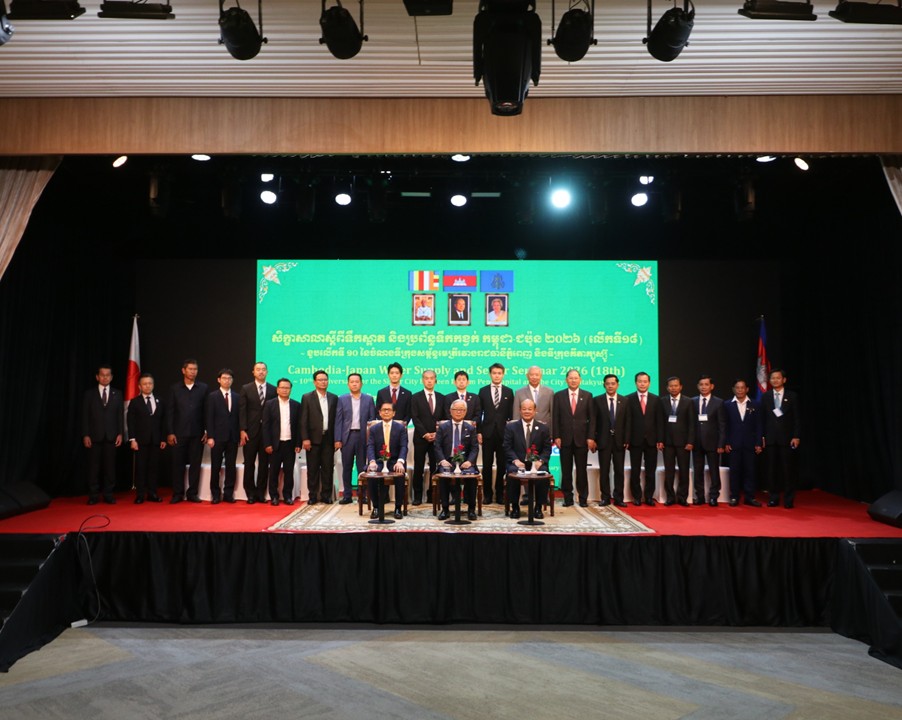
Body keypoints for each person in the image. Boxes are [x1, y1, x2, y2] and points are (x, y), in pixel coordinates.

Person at [164, 358, 208, 504]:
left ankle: (192, 493)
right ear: (183, 370)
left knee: (195, 465)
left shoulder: (203, 388)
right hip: (179, 433)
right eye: (190, 369)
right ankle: (177, 493)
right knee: (178, 464)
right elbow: (170, 412)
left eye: (195, 369)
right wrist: (170, 432)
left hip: (197, 433)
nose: (193, 372)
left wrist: (206, 430)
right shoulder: (174, 389)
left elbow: (206, 411)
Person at [553, 369, 596, 507]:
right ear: (566, 380)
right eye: (570, 378)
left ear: (580, 380)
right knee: (566, 471)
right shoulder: (559, 396)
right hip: (564, 439)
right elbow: (555, 418)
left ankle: (583, 498)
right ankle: (568, 498)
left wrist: (590, 437)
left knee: (581, 471)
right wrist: (556, 436)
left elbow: (592, 419)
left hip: (582, 439)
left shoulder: (587, 395)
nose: (573, 380)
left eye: (576, 378)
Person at [504, 399, 552, 520]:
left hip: (536, 463)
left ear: (535, 411)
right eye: (524, 409)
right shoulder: (511, 427)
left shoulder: (543, 428)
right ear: (520, 411)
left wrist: (540, 461)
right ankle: (515, 507)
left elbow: (547, 449)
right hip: (517, 462)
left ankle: (538, 507)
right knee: (512, 474)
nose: (527, 411)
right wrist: (515, 460)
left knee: (544, 474)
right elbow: (507, 447)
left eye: (530, 409)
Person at [512, 365, 554, 506]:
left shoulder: (549, 392)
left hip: (542, 434)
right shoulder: (519, 392)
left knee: (541, 462)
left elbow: (552, 414)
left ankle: (543, 496)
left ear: (541, 376)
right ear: (527, 376)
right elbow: (516, 415)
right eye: (532, 374)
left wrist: (552, 434)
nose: (534, 377)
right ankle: (527, 495)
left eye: (537, 374)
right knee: (525, 462)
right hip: (524, 432)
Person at [82, 364, 123, 505]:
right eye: (102, 375)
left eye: (107, 375)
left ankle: (108, 494)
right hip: (94, 436)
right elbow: (85, 416)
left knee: (110, 468)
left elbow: (120, 416)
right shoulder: (89, 394)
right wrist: (86, 434)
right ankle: (93, 495)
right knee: (93, 468)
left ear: (111, 377)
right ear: (97, 377)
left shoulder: (117, 394)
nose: (105, 377)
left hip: (111, 436)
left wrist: (120, 433)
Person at [334, 373, 378, 505]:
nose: (354, 384)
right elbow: (338, 420)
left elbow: (372, 420)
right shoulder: (342, 399)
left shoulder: (368, 399)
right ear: (348, 384)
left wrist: (371, 439)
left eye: (357, 381)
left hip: (363, 436)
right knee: (347, 466)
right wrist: (337, 439)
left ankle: (362, 495)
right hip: (347, 437)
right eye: (352, 382)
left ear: (361, 383)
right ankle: (347, 495)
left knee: (362, 467)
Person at [760, 368, 801, 508]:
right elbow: (762, 419)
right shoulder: (765, 396)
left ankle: (789, 499)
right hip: (770, 439)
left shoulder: (792, 396)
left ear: (784, 380)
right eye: (772, 378)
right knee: (772, 470)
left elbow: (797, 418)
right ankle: (773, 497)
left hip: (787, 439)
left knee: (788, 470)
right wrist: (762, 436)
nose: (775, 380)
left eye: (778, 378)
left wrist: (796, 436)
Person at [434, 399, 479, 520]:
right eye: (456, 409)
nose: (459, 412)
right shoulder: (443, 427)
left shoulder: (470, 428)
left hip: (465, 462)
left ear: (465, 412)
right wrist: (442, 460)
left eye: (462, 410)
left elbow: (475, 448)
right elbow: (437, 446)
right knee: (444, 475)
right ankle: (445, 509)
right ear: (450, 411)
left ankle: (471, 509)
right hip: (448, 461)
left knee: (471, 476)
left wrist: (469, 461)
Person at [238, 361, 276, 504]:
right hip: (250, 432)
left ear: (267, 372)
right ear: (253, 372)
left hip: (267, 433)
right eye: (258, 369)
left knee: (264, 464)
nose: (261, 372)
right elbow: (242, 411)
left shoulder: (273, 389)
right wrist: (242, 430)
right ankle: (250, 493)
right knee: (249, 463)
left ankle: (261, 493)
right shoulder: (246, 388)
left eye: (263, 369)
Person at [624, 371, 664, 506]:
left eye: (645, 381)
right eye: (640, 381)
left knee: (650, 471)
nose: (642, 384)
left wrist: (660, 439)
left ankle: (648, 497)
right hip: (635, 441)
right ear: (636, 383)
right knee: (635, 471)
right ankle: (636, 496)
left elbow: (659, 421)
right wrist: (627, 440)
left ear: (649, 383)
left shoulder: (656, 399)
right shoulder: (628, 399)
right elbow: (627, 421)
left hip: (652, 441)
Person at [477, 363, 515, 504]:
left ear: (503, 374)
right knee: (487, 465)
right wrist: (478, 432)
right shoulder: (483, 391)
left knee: (502, 465)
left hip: (503, 434)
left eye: (499, 373)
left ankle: (500, 494)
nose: (497, 375)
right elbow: (479, 413)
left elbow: (511, 415)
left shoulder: (509, 392)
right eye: (494, 373)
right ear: (490, 374)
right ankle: (487, 494)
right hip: (487, 433)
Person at [723, 379, 764, 507]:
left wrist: (758, 442)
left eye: (742, 387)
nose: (740, 390)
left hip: (750, 444)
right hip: (733, 444)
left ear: (747, 389)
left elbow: (759, 425)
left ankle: (749, 497)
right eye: (737, 387)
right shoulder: (727, 404)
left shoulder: (755, 404)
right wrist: (726, 442)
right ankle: (734, 497)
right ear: (733, 389)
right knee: (734, 471)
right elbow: (725, 426)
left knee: (750, 471)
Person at [300, 370, 338, 504]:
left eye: (325, 379)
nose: (323, 382)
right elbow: (303, 420)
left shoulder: (334, 397)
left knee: (328, 468)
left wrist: (337, 439)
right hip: (312, 439)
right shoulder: (307, 397)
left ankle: (326, 495)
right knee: (313, 469)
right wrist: (305, 438)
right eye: (320, 380)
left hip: (328, 438)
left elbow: (336, 420)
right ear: (314, 382)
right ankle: (313, 496)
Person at [127, 372, 165, 504]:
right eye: (145, 384)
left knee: (153, 468)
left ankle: (152, 493)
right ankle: (140, 495)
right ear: (139, 386)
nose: (148, 386)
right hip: (140, 441)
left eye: (150, 383)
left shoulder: (160, 400)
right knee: (141, 468)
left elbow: (163, 421)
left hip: (156, 440)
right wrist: (132, 439)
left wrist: (163, 439)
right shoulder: (135, 402)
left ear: (153, 385)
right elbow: (130, 422)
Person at [366, 402, 408, 520]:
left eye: (389, 410)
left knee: (399, 473)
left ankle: (398, 507)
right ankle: (376, 507)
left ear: (394, 413)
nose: (386, 412)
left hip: (394, 461)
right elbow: (370, 446)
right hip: (379, 461)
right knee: (372, 474)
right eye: (383, 410)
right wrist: (372, 461)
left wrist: (400, 461)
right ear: (379, 413)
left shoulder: (400, 428)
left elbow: (404, 446)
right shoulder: (374, 429)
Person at [262, 378, 301, 506]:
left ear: (291, 389)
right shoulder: (269, 404)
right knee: (274, 472)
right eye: (282, 387)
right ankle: (274, 496)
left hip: (290, 444)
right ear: (277, 389)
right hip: (274, 445)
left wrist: (298, 443)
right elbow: (265, 426)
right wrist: (267, 444)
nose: (285, 390)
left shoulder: (296, 405)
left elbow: (299, 426)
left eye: (287, 388)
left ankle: (288, 496)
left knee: (289, 472)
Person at [410, 369, 445, 505]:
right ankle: (418, 496)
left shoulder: (442, 397)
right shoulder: (415, 397)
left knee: (435, 468)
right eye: (426, 378)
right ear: (422, 380)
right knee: (418, 467)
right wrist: (425, 433)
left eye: (431, 378)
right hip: (421, 438)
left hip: (437, 438)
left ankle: (433, 495)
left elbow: (444, 418)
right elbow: (415, 417)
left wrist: (437, 433)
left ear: (435, 380)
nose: (429, 381)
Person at [206, 368, 240, 504]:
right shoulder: (212, 396)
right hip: (217, 437)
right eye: (224, 378)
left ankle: (228, 494)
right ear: (219, 380)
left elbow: (238, 418)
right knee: (216, 466)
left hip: (233, 437)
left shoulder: (237, 397)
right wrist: (210, 436)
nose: (227, 381)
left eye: (229, 378)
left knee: (231, 466)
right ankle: (215, 494)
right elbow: (209, 417)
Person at [592, 373, 627, 507]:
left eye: (613, 383)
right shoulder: (597, 400)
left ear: (617, 385)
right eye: (608, 384)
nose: (610, 386)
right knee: (604, 470)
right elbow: (593, 422)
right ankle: (605, 497)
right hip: (603, 441)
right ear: (604, 385)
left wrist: (627, 439)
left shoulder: (625, 400)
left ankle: (619, 498)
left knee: (619, 471)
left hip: (619, 441)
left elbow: (628, 422)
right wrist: (593, 439)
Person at [660, 376, 696, 506]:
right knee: (669, 472)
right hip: (667, 443)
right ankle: (670, 497)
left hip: (684, 443)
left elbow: (692, 424)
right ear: (667, 388)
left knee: (684, 471)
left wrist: (690, 441)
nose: (673, 388)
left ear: (680, 387)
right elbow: (660, 423)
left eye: (676, 385)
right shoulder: (662, 401)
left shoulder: (688, 401)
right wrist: (660, 440)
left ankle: (682, 497)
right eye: (671, 386)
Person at [692, 375, 726, 507]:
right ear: (697, 386)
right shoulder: (693, 401)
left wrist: (721, 444)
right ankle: (699, 496)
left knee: (714, 471)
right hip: (697, 442)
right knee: (698, 471)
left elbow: (722, 425)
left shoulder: (719, 402)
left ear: (712, 386)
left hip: (713, 443)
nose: (704, 387)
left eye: (706, 384)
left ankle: (713, 496)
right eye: (701, 384)